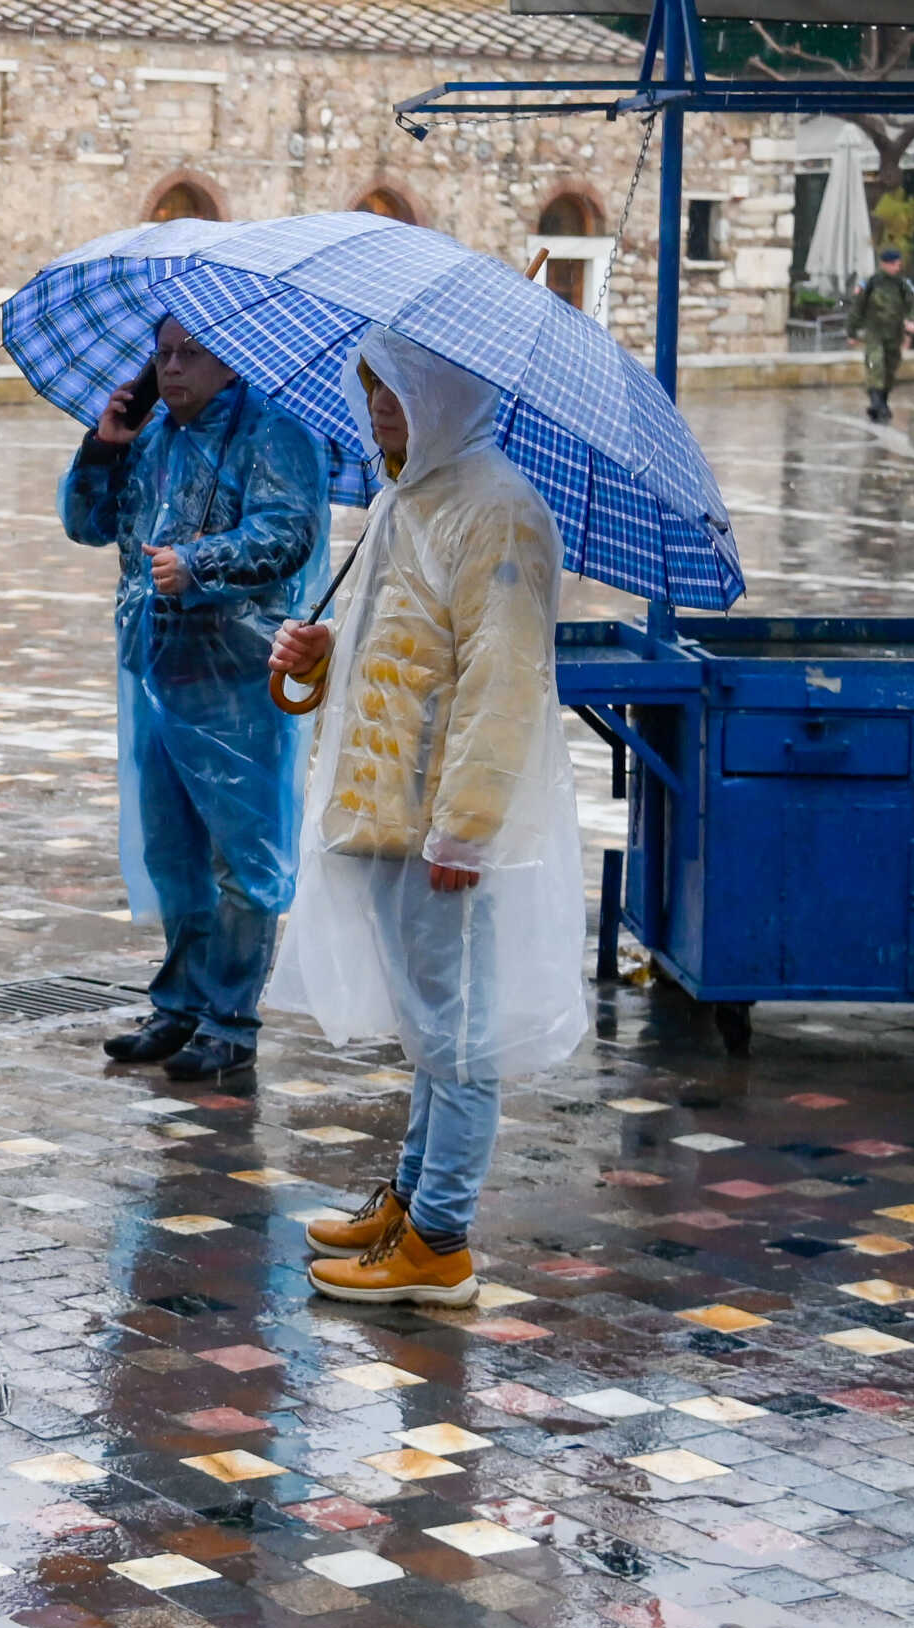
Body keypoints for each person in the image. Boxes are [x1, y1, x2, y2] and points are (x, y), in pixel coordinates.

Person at [266, 330, 587, 1307]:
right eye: (372, 392)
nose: (379, 413)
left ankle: (440, 1238)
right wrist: (315, 658)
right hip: (381, 819)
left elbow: (503, 684)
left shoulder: (499, 514)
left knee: (460, 1035)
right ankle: (408, 1197)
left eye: (398, 394)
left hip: (438, 831)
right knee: (428, 1026)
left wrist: (465, 827)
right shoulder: (406, 498)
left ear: (446, 395)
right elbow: (391, 661)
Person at [60, 317, 328, 1082]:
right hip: (157, 670)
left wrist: (200, 562)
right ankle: (177, 1003)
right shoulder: (150, 436)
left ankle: (230, 1020)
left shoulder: (274, 434)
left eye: (191, 354)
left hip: (239, 680)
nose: (171, 369)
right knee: (171, 848)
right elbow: (87, 524)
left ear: (232, 357)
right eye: (163, 354)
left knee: (241, 858)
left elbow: (290, 533)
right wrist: (105, 444)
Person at [850, 247, 914, 423]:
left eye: (898, 263)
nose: (897, 267)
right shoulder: (871, 283)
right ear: (884, 264)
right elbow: (857, 308)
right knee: (876, 364)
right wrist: (851, 331)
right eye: (893, 264)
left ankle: (882, 402)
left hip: (894, 333)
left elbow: (913, 304)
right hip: (875, 332)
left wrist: (911, 321)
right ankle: (876, 402)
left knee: (890, 369)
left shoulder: (902, 284)